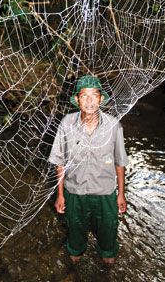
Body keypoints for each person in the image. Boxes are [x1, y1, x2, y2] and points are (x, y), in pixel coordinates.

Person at [49, 75, 128, 265]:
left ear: (101, 99)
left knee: (108, 243)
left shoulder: (114, 126)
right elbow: (59, 162)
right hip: (75, 193)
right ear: (77, 100)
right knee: (75, 243)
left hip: (105, 193)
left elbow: (120, 162)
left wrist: (121, 194)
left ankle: (108, 267)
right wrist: (60, 195)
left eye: (94, 95)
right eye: (85, 96)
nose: (90, 100)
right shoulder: (66, 124)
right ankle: (73, 267)